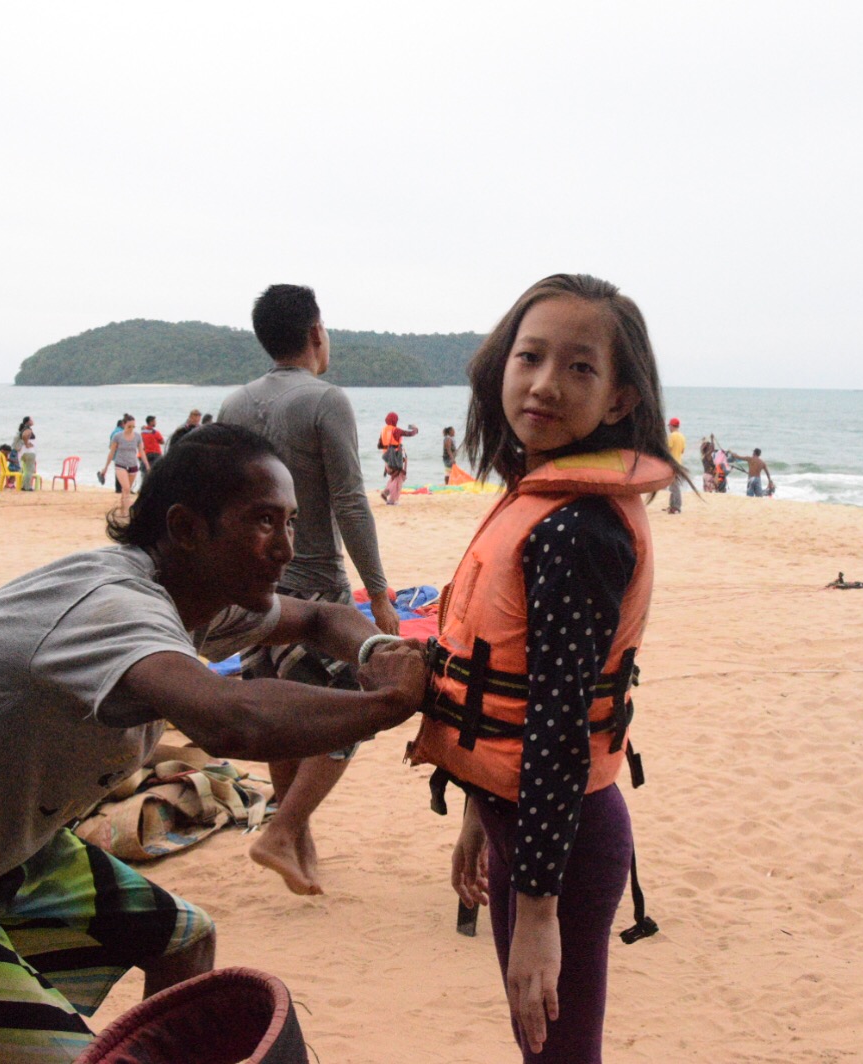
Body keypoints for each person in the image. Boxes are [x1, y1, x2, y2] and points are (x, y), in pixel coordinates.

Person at [0, 423, 428, 1063]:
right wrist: (385, 704)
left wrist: (375, 649)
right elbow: (229, 720)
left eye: (289, 521)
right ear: (186, 529)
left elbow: (316, 616)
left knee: (185, 942)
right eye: (263, 521)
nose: (285, 546)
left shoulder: (198, 598)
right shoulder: (114, 605)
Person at [408, 273, 682, 1062]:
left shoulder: (579, 532)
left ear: (622, 398)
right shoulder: (540, 498)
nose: (544, 384)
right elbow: (519, 686)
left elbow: (559, 729)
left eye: (580, 368)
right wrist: (476, 814)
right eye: (530, 356)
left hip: (564, 846)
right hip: (526, 828)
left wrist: (538, 911)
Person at [218, 284, 404, 897]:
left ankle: (298, 843)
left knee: (278, 712)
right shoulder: (327, 400)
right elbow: (351, 500)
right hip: (316, 583)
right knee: (347, 717)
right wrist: (378, 592)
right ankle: (283, 828)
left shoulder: (233, 403)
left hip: (250, 586)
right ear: (316, 332)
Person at [101, 415, 149, 519]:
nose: (131, 429)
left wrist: (147, 465)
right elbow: (111, 452)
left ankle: (123, 511)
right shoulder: (117, 436)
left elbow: (142, 451)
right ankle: (127, 514)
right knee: (126, 488)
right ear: (124, 424)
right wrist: (105, 468)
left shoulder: (137, 437)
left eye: (133, 426)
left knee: (125, 491)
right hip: (120, 465)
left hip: (133, 465)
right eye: (129, 426)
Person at [378, 411, 418, 505]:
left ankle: (386, 492)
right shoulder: (396, 430)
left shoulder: (384, 430)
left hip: (387, 458)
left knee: (393, 477)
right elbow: (410, 434)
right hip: (395, 459)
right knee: (399, 478)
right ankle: (393, 500)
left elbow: (381, 444)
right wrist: (415, 429)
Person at [664, 417, 685, 513]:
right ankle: (672, 505)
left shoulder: (672, 436)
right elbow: (682, 451)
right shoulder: (682, 436)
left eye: (670, 426)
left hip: (673, 463)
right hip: (679, 462)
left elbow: (668, 449)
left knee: (674, 486)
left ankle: (676, 506)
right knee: (673, 485)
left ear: (672, 426)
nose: (669, 428)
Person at [14, 417, 38, 491]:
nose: (33, 421)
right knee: (30, 470)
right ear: (27, 422)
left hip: (24, 452)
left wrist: (26, 443)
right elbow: (24, 436)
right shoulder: (27, 429)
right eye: (31, 420)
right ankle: (27, 487)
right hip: (29, 452)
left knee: (27, 470)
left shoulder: (23, 428)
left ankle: (24, 485)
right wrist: (27, 444)